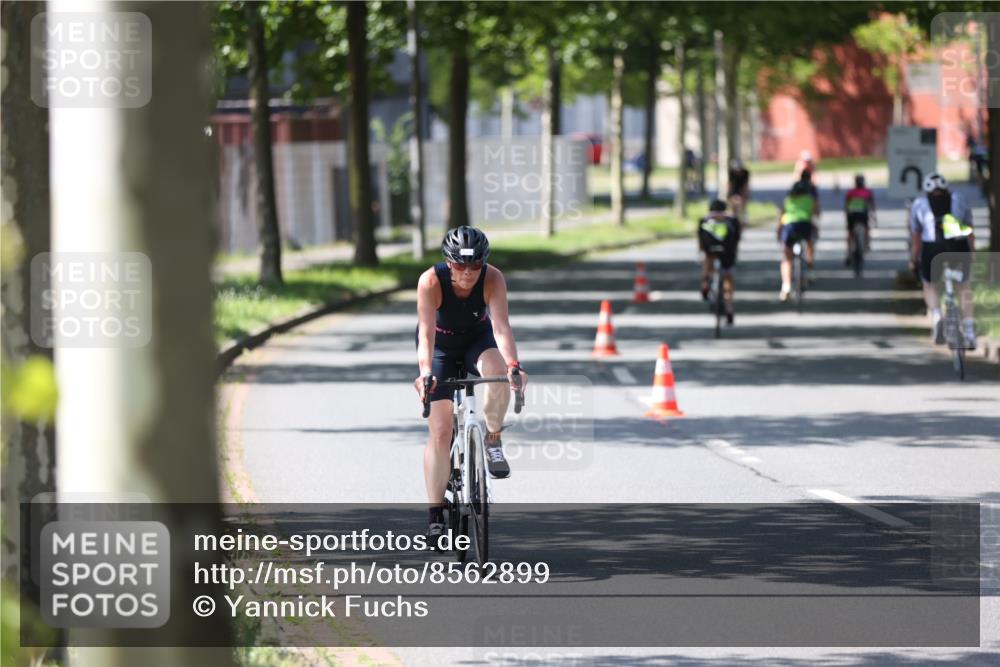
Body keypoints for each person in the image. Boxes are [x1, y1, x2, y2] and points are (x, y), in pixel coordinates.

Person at [414, 226, 528, 541]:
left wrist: (514, 366)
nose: (467, 274)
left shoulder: (493, 279)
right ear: (448, 263)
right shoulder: (430, 282)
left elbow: (502, 326)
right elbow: (425, 334)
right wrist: (426, 372)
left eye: (475, 267)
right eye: (460, 267)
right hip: (440, 347)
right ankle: (435, 512)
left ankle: (492, 440)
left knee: (498, 370)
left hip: (478, 339)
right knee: (440, 431)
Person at [908, 173, 977, 347]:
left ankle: (937, 315)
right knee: (964, 287)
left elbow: (916, 237)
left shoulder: (919, 204)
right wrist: (973, 253)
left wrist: (913, 259)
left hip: (932, 248)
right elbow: (969, 229)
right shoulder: (959, 198)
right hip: (958, 246)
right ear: (946, 187)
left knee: (929, 284)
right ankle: (969, 331)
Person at [698, 199, 741, 324]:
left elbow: (701, 241)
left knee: (708, 257)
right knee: (728, 277)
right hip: (728, 252)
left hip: (710, 251)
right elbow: (736, 239)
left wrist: (700, 252)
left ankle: (705, 282)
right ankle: (729, 308)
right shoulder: (732, 219)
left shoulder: (704, 220)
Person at [777, 178, 819, 301]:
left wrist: (778, 231)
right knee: (810, 244)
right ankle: (810, 271)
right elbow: (815, 213)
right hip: (805, 225)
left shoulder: (788, 200)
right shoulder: (810, 199)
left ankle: (786, 286)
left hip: (789, 226)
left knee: (787, 258)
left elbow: (781, 216)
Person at [843, 174, 876, 265]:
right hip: (862, 215)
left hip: (852, 215)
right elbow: (872, 205)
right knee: (866, 228)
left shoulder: (850, 192)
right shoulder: (867, 192)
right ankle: (867, 243)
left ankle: (849, 251)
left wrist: (846, 215)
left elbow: (846, 205)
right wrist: (874, 216)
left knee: (850, 233)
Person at [727, 158, 751, 225]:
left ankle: (743, 220)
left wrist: (746, 193)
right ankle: (734, 219)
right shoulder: (731, 173)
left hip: (741, 191)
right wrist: (728, 193)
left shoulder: (745, 173)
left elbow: (746, 184)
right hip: (733, 190)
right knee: (733, 206)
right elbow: (730, 184)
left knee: (742, 206)